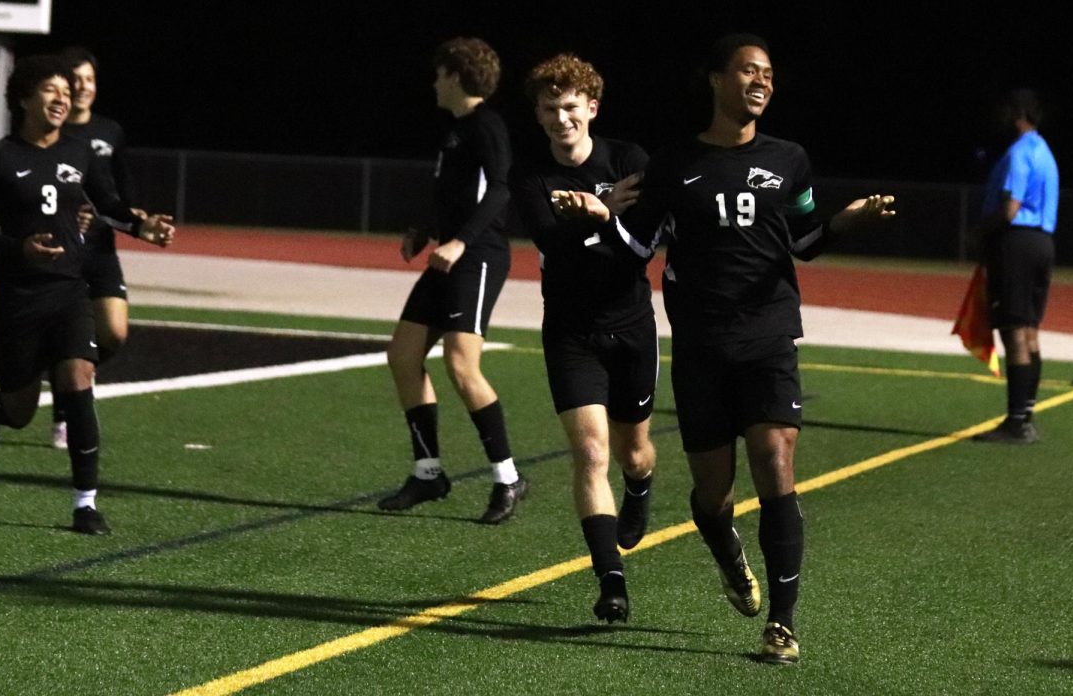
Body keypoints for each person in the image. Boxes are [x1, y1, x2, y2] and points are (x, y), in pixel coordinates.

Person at [552, 34, 895, 663]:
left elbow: (804, 240)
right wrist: (604, 223)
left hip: (768, 336)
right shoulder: (674, 163)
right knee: (713, 496)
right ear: (716, 79)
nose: (761, 80)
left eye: (768, 72)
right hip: (703, 348)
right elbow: (637, 248)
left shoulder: (790, 159)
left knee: (775, 460)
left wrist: (846, 222)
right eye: (747, 70)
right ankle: (728, 552)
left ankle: (782, 625)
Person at [0, 55, 174, 535]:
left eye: (67, 93)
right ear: (25, 98)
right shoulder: (0, 157)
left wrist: (142, 226)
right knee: (20, 410)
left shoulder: (80, 152)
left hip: (70, 291)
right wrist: (16, 248)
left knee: (78, 379)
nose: (62, 99)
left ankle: (85, 504)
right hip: (17, 298)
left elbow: (109, 204)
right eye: (51, 91)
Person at [510, 54, 657, 622]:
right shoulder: (529, 176)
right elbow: (552, 245)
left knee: (633, 453)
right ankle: (611, 582)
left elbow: (642, 242)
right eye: (550, 108)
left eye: (570, 106)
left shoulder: (629, 159)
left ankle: (640, 487)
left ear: (591, 108)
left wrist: (599, 219)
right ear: (539, 114)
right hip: (570, 330)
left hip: (631, 325)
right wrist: (601, 215)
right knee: (591, 452)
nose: (560, 117)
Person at [379, 37, 526, 524]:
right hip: (448, 256)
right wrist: (425, 230)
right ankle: (428, 473)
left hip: (478, 255)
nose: (433, 81)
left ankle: (508, 478)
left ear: (458, 76)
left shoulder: (487, 124)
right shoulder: (454, 130)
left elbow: (503, 187)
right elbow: (453, 193)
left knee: (462, 366)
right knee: (402, 356)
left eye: (440, 73)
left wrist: (461, 241)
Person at [45, 47, 136, 451]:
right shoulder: (52, 132)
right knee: (71, 336)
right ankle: (65, 410)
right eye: (75, 80)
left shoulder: (110, 131)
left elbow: (123, 190)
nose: (83, 87)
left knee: (113, 333)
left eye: (89, 80)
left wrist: (132, 216)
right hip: (63, 252)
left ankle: (71, 376)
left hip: (101, 249)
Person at [972, 89, 1058, 444]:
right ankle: (1027, 413)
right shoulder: (1046, 151)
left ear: (1018, 112)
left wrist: (979, 232)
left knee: (1013, 330)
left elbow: (1011, 207)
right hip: (1043, 242)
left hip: (1017, 242)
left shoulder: (1020, 152)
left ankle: (1016, 422)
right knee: (1030, 330)